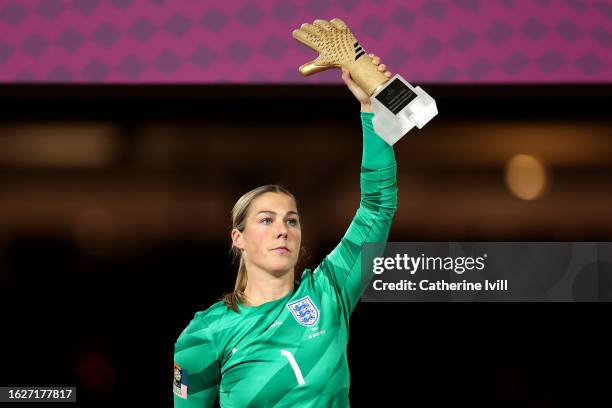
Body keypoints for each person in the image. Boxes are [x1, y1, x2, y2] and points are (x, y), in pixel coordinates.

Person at [173, 54, 397, 407]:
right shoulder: (203, 336)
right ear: (238, 238)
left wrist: (372, 111)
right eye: (266, 220)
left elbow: (377, 205)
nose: (283, 230)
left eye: (291, 220)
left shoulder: (330, 292)